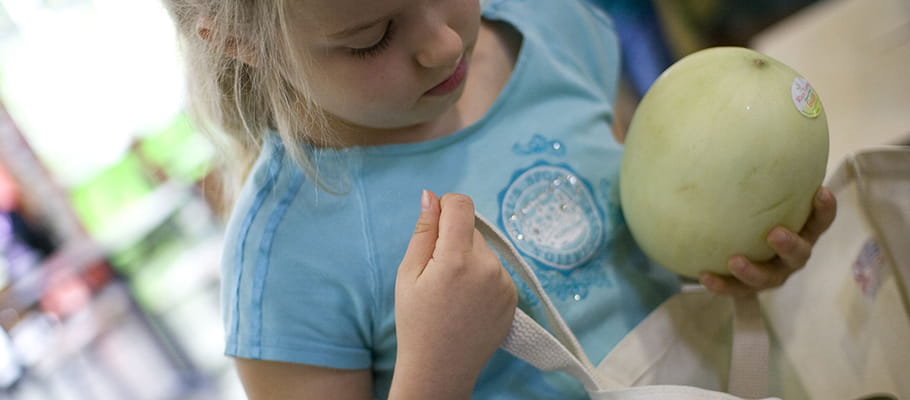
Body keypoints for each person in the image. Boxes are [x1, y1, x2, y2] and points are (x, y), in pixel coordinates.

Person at [160, 0, 837, 398]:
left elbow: (634, 237)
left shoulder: (555, 28)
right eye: (371, 38)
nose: (444, 41)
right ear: (238, 39)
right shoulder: (285, 262)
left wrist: (731, 252)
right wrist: (435, 373)